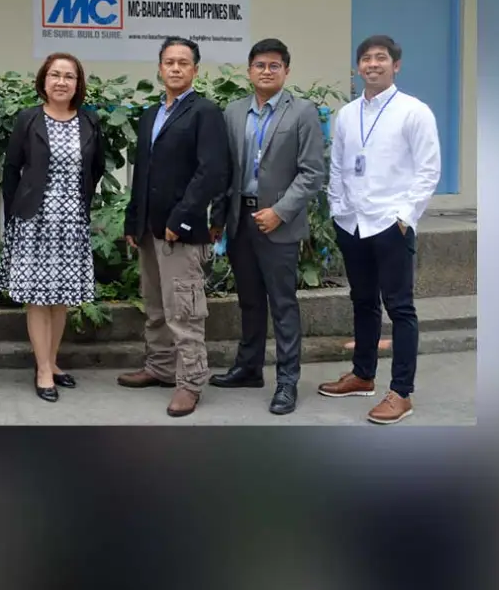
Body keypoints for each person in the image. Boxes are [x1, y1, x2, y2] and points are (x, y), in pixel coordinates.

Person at [320, 34, 441, 424]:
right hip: (352, 222)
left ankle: (401, 392)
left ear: (396, 65)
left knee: (400, 308)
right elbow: (337, 165)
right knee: (363, 302)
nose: (373, 64)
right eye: (366, 59)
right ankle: (362, 374)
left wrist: (404, 217)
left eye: (381, 58)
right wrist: (337, 209)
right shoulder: (347, 114)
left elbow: (428, 170)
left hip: (391, 223)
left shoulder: (414, 111)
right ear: (358, 68)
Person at [208, 38, 327, 415]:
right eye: (259, 64)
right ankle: (249, 367)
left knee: (283, 303)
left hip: (278, 221)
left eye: (274, 65)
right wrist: (219, 218)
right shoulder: (233, 111)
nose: (266, 71)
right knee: (250, 300)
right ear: (249, 70)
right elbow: (226, 169)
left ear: (286, 71)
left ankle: (288, 380)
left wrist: (280, 211)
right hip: (240, 220)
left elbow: (312, 173)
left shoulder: (302, 112)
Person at [117, 37, 231, 417]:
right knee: (154, 306)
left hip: (181, 231)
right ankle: (161, 369)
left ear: (195, 70)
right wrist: (134, 220)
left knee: (184, 311)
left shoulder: (205, 112)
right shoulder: (152, 114)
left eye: (184, 63)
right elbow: (143, 173)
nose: (176, 68)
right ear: (160, 68)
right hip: (150, 229)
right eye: (170, 62)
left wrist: (180, 219)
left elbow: (211, 171)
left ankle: (190, 383)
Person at [0, 52, 107, 402]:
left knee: (61, 298)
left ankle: (53, 361)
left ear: (78, 84)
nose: (62, 82)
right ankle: (43, 369)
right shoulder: (28, 120)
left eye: (69, 76)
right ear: (44, 81)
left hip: (72, 220)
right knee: (37, 298)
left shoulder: (89, 122)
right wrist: (15, 217)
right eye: (55, 75)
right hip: (34, 220)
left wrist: (78, 203)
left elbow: (96, 169)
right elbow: (11, 169)